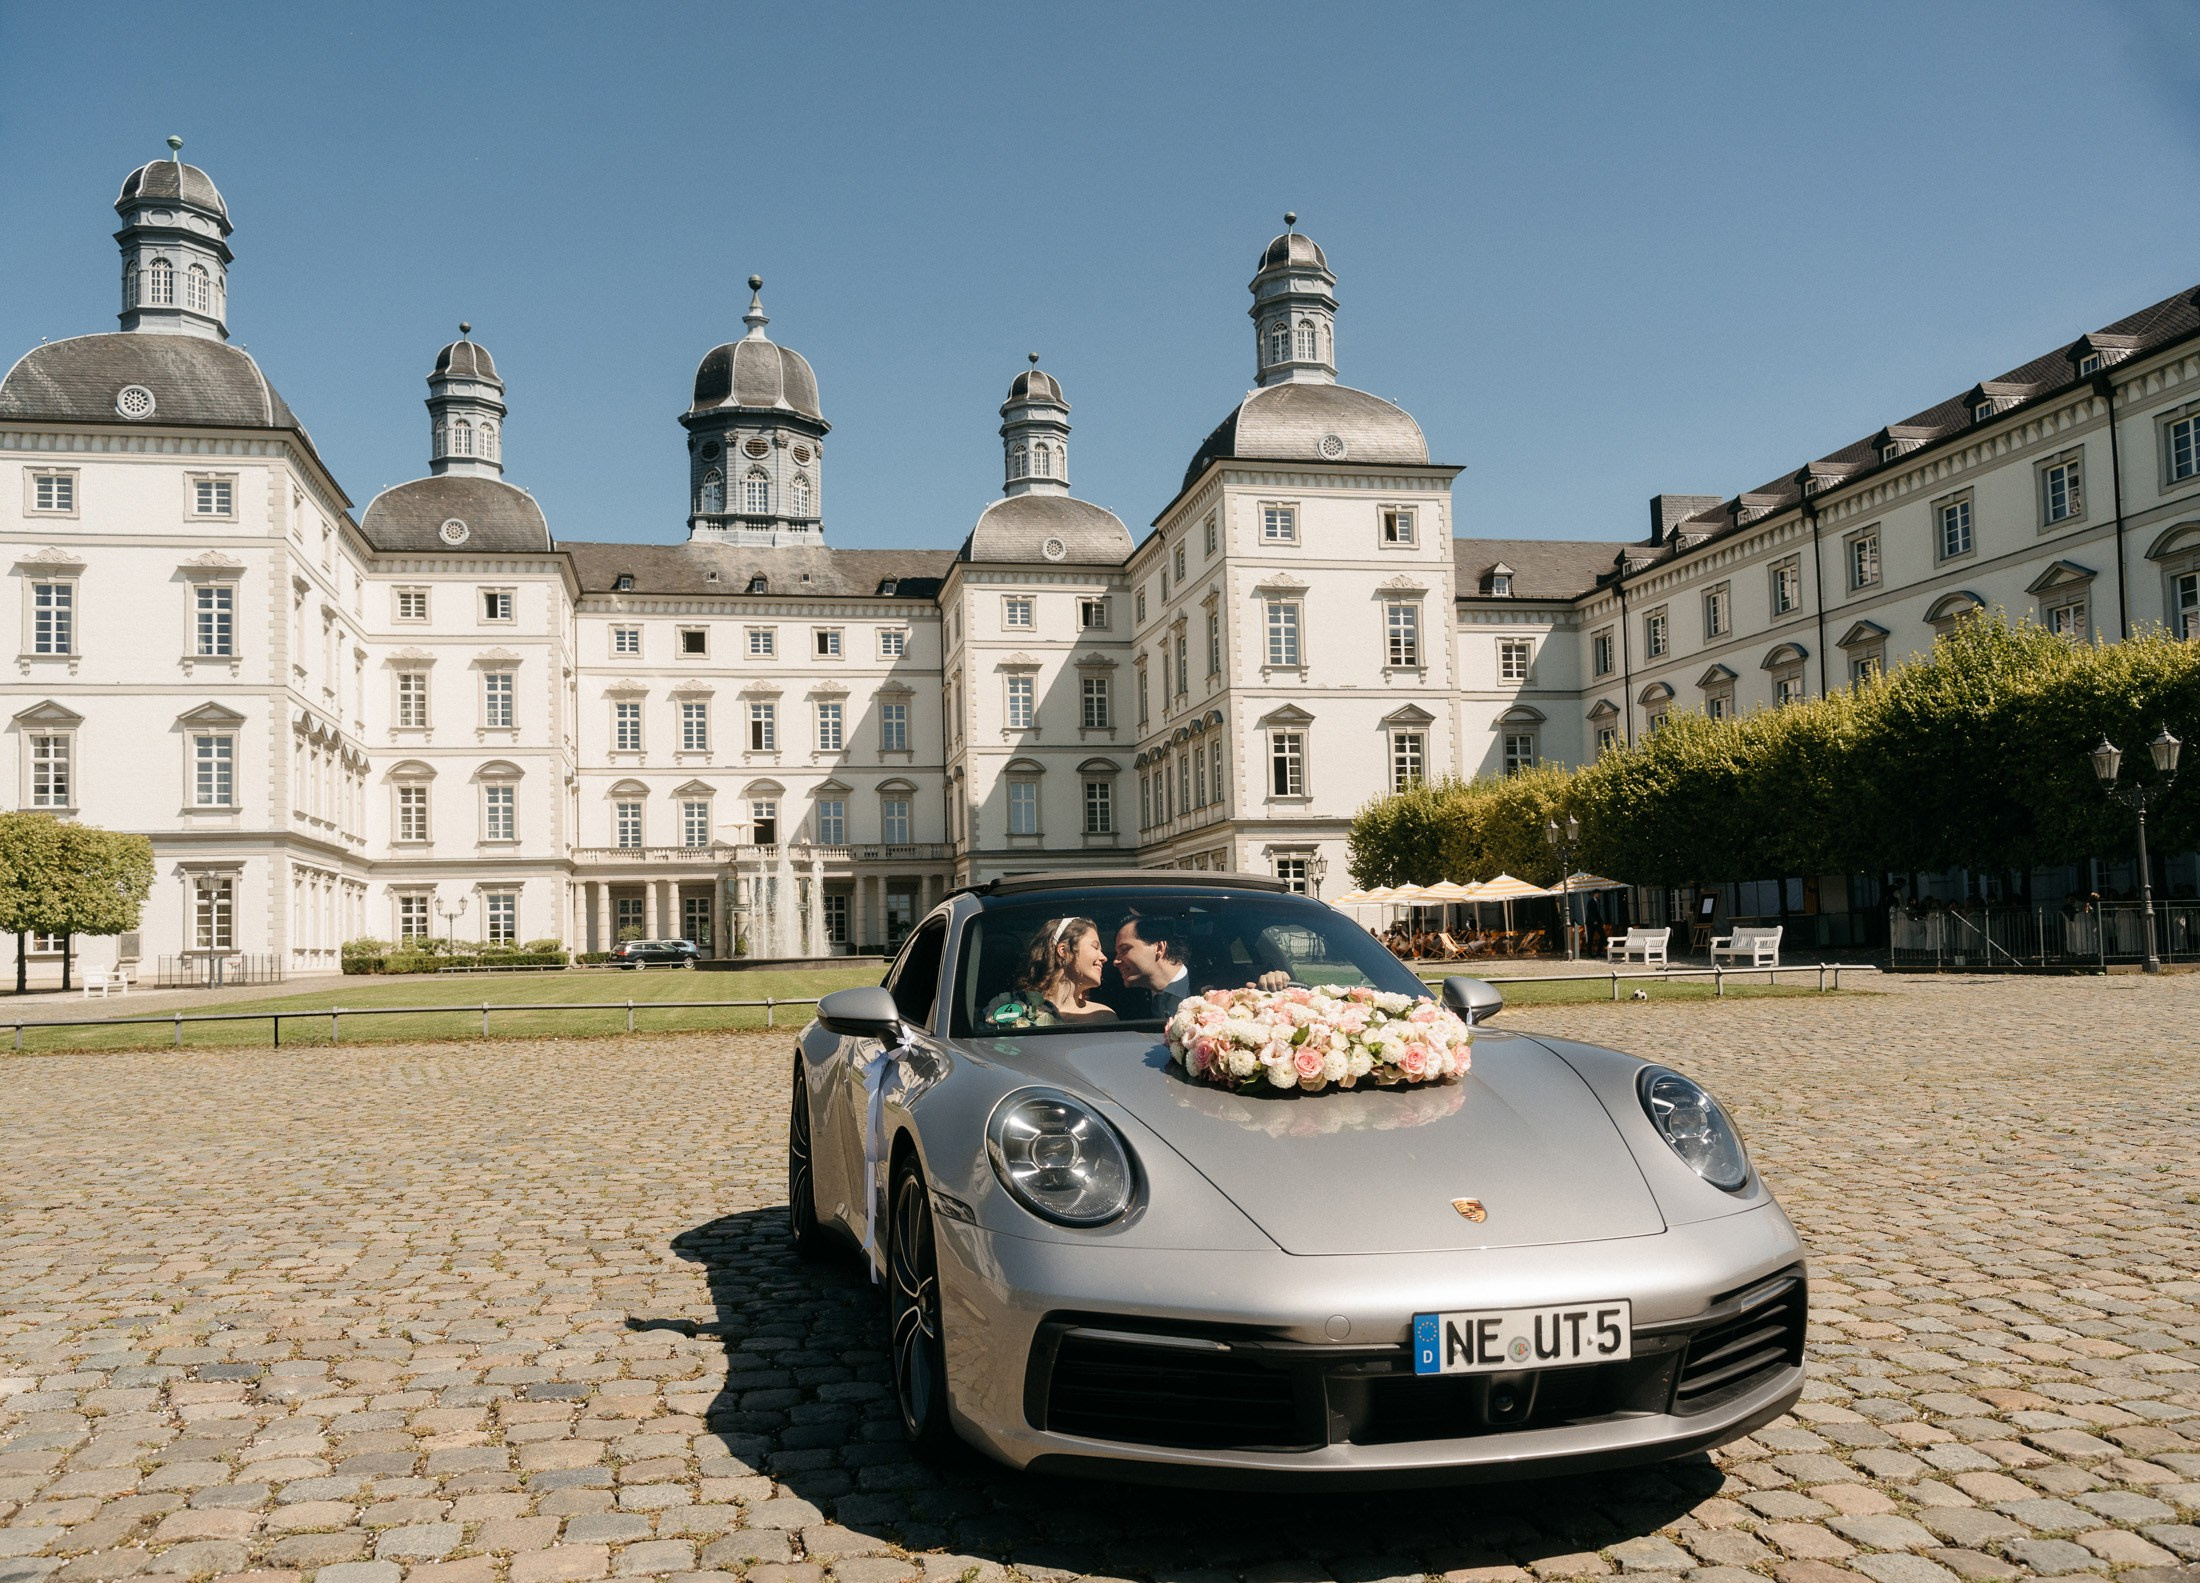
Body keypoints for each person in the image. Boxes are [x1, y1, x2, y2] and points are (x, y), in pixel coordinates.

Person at [1113, 913, 1289, 1018]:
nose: (1115, 960)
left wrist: (1275, 986)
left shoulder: (1232, 985)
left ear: (1159, 947)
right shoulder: (1120, 1002)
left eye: (1124, 950)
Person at [980, 916, 1117, 1029]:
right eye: (1095, 947)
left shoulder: (1104, 1016)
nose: (1104, 957)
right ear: (1064, 951)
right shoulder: (1013, 1009)